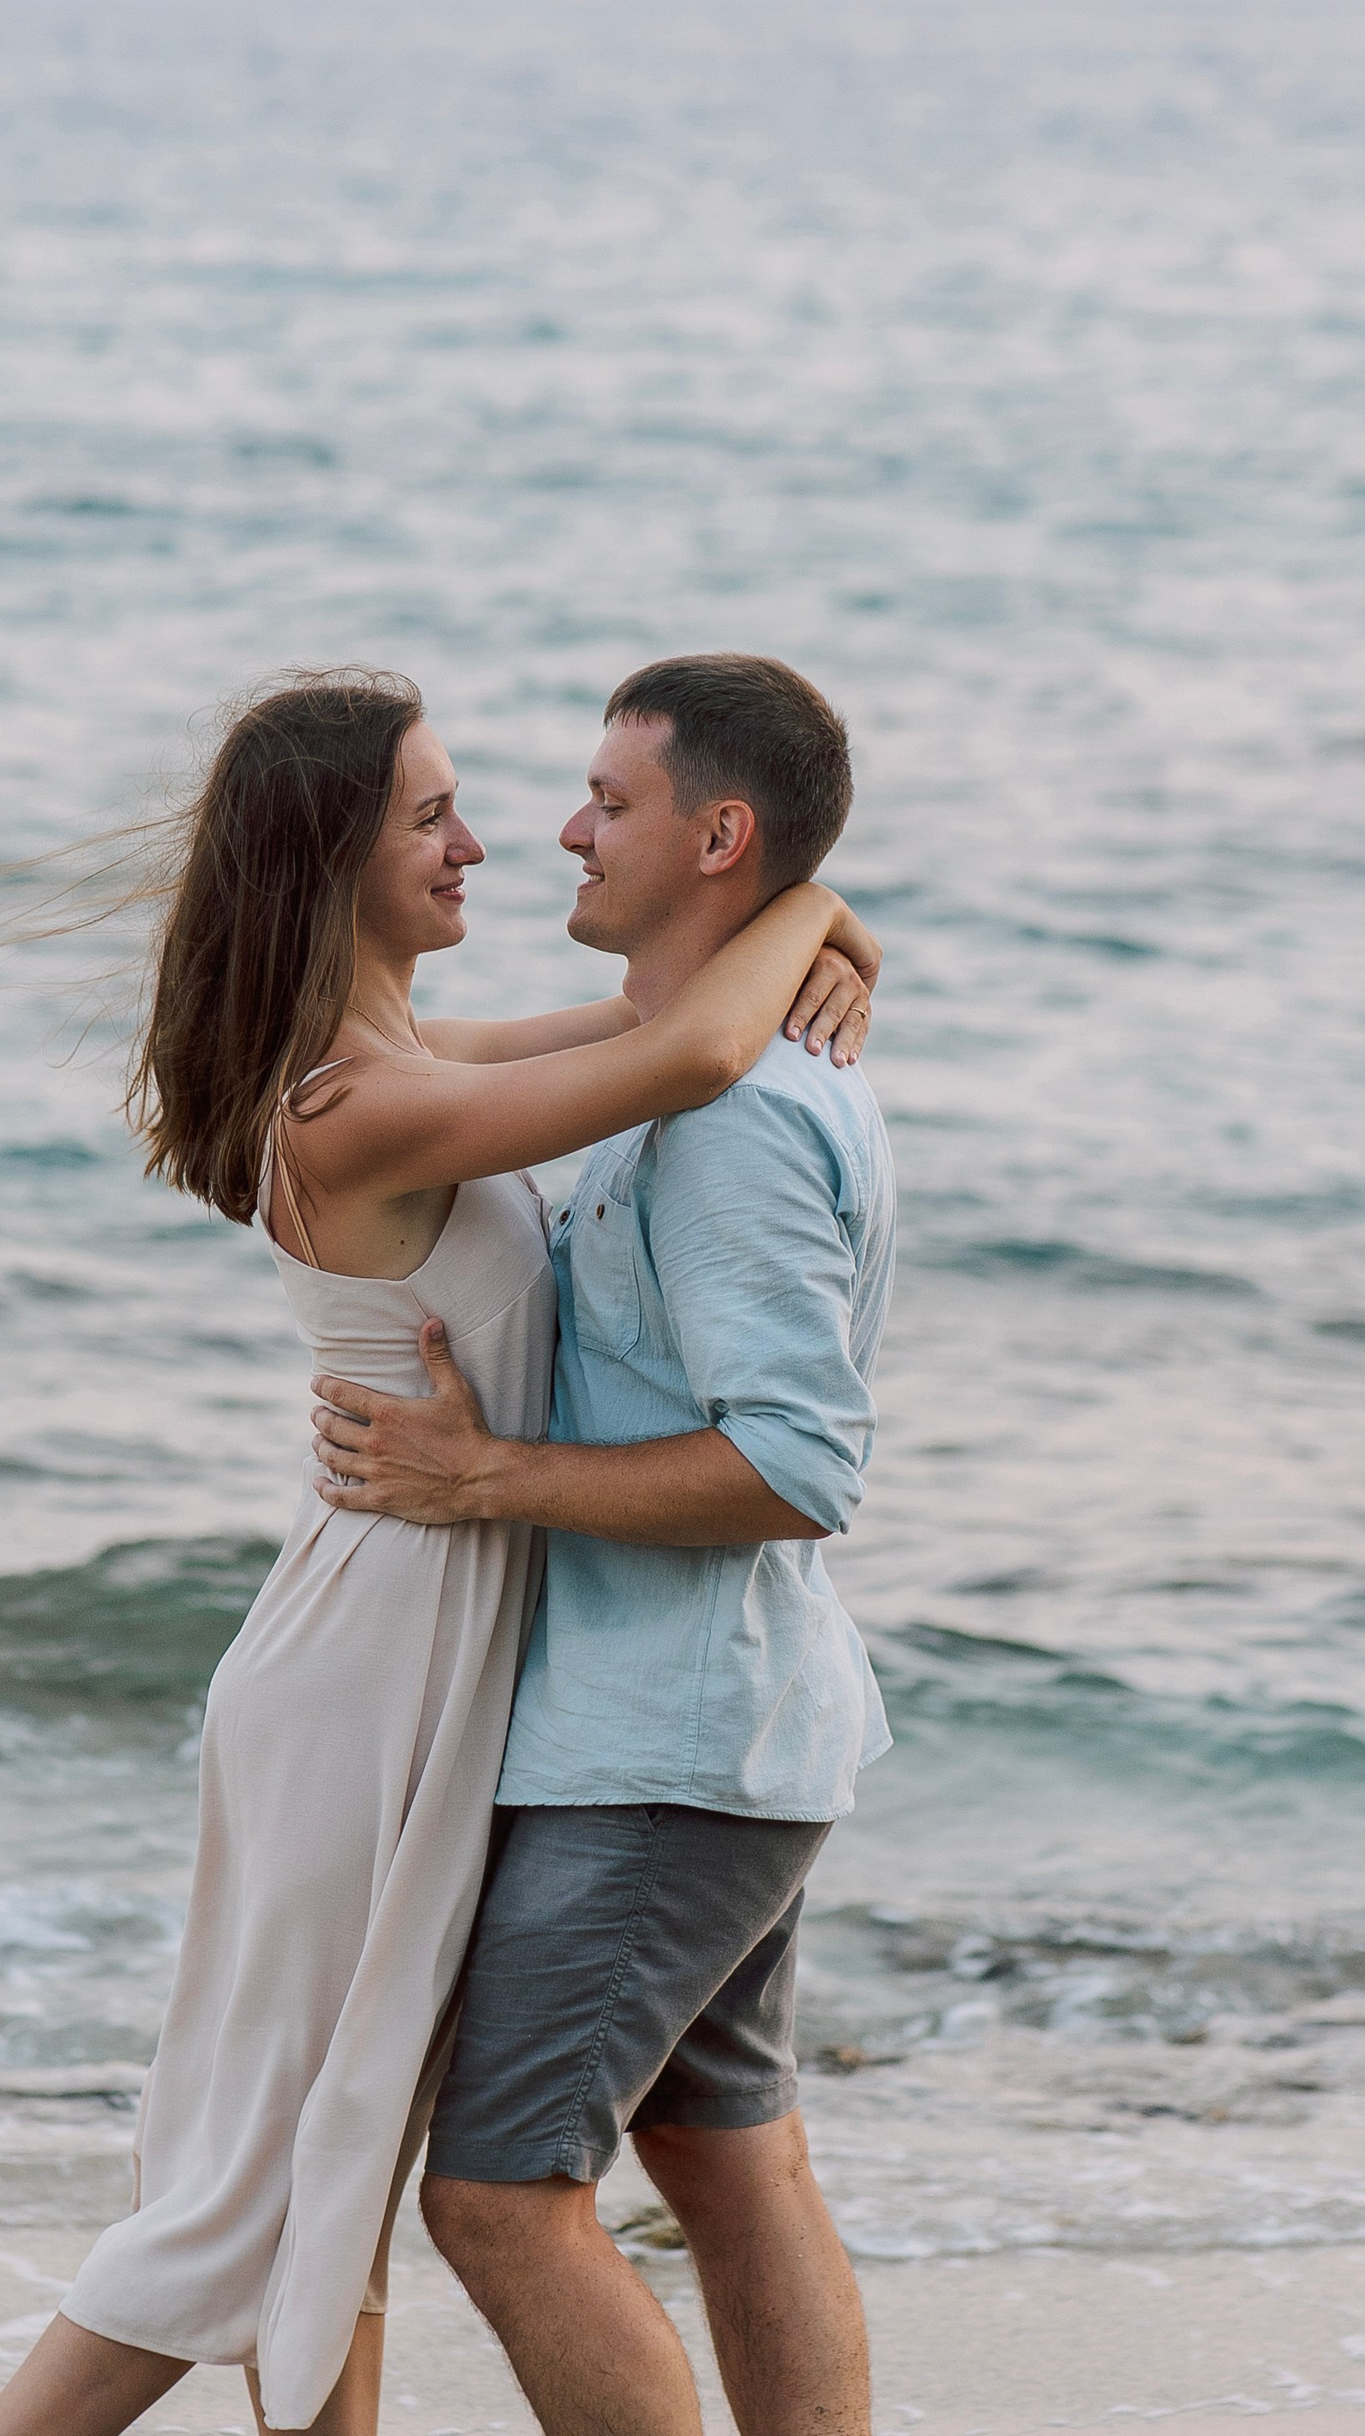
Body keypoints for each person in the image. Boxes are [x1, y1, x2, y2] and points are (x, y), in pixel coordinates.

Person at [0, 666, 879, 2436]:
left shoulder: (409, 1055)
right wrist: (822, 900)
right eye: (429, 816)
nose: (483, 842)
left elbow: (675, 1024)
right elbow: (689, 1050)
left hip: (430, 1642)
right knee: (249, 2193)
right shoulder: (349, 1109)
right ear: (333, 863)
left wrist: (808, 920)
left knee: (338, 2167)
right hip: (370, 1669)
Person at [306, 653, 897, 2436]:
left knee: (497, 2197)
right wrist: (813, 915)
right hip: (726, 1724)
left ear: (718, 837)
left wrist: (491, 1480)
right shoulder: (691, 1074)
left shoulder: (725, 1115)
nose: (562, 831)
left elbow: (799, 1464)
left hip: (665, 1748)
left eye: (609, 804)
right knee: (725, 2156)